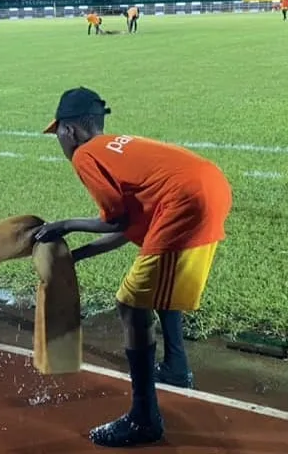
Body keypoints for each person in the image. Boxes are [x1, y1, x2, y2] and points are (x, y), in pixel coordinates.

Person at [34, 87, 232, 448]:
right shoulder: (115, 148)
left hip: (187, 200)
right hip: (207, 187)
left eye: (58, 134)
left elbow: (114, 221)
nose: (60, 143)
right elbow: (128, 228)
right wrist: (75, 257)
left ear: (70, 131)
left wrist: (64, 226)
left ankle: (144, 419)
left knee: (130, 304)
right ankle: (174, 368)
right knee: (155, 285)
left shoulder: (85, 156)